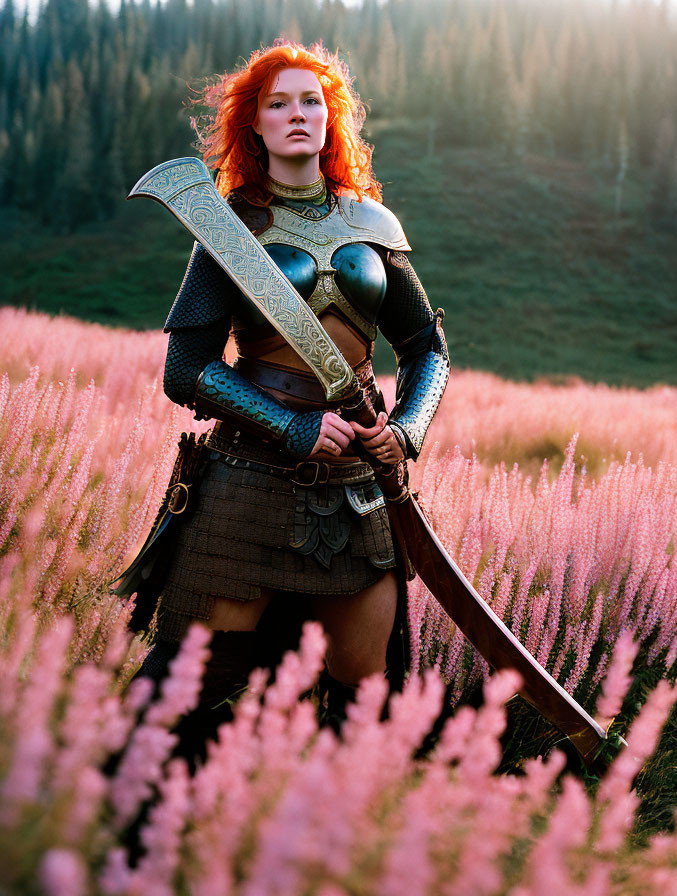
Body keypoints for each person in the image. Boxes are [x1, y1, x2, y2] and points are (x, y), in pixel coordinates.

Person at [133, 41, 450, 761]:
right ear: (256, 124)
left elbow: (427, 350)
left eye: (311, 100)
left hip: (360, 494)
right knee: (183, 690)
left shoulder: (375, 227)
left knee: (366, 704)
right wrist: (289, 423)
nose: (297, 114)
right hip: (245, 483)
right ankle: (138, 836)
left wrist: (404, 432)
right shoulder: (226, 227)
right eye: (278, 103)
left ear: (331, 119)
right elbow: (187, 369)